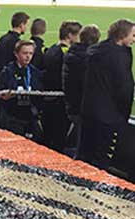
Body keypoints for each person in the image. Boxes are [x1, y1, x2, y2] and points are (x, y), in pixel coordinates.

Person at [81, 19, 134, 169]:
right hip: (108, 116)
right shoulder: (119, 56)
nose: (134, 39)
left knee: (86, 154)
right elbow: (124, 88)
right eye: (133, 35)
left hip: (89, 111)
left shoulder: (96, 51)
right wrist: (123, 115)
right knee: (101, 158)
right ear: (123, 35)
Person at [42, 20, 82, 151]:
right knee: (58, 140)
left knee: (48, 138)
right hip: (60, 102)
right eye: (78, 35)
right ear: (70, 35)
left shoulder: (50, 49)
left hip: (48, 100)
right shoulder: (66, 54)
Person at [63, 24, 100, 159]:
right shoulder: (89, 59)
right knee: (83, 146)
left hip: (72, 103)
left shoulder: (71, 53)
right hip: (84, 107)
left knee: (78, 139)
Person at [0, 40, 44, 139]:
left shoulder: (35, 72)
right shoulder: (7, 71)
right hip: (12, 117)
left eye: (31, 53)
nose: (28, 56)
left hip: (29, 116)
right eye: (25, 53)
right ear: (16, 54)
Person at [0, 12, 29, 80]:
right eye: (26, 25)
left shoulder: (3, 38)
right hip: (8, 78)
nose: (27, 28)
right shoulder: (17, 42)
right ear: (21, 25)